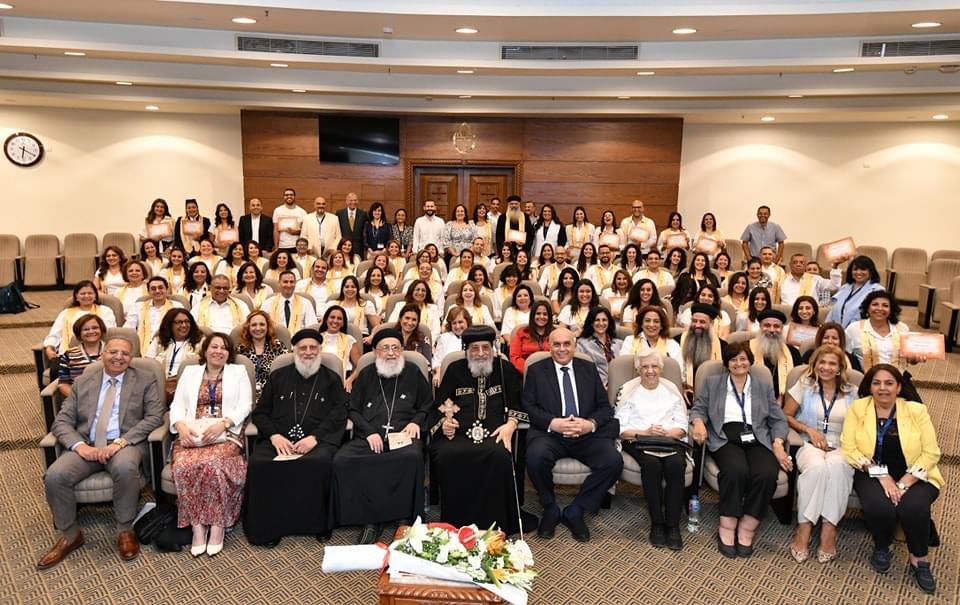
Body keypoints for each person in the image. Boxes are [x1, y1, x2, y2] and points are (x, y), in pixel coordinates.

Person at [37, 336, 164, 569]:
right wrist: (80, 446)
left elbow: (154, 417)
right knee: (55, 476)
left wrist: (121, 442)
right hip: (88, 443)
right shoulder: (84, 381)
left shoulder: (145, 379)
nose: (119, 357)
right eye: (113, 352)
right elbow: (62, 421)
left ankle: (125, 529)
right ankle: (70, 535)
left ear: (132, 357)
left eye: (125, 353)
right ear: (103, 354)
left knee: (125, 468)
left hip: (124, 444)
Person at [841, 364, 943, 594]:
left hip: (916, 473)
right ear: (869, 387)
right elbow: (849, 448)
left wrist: (905, 481)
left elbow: (931, 452)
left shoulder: (916, 410)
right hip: (872, 471)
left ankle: (919, 559)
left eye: (889, 383)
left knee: (913, 507)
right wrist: (882, 475)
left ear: (898, 387)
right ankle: (882, 546)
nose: (882, 388)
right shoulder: (858, 408)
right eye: (876, 383)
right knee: (880, 507)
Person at [245, 328, 348, 546]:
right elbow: (260, 413)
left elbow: (339, 414)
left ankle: (317, 525)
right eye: (303, 348)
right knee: (259, 463)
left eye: (313, 348)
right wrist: (274, 436)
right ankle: (269, 527)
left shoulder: (331, 379)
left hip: (317, 440)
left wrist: (315, 438)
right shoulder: (278, 377)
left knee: (319, 463)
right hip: (278, 439)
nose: (308, 352)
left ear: (319, 350)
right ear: (294, 351)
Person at [690, 341, 793, 558]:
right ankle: (727, 525)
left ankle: (748, 524)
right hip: (725, 437)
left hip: (757, 437)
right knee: (736, 471)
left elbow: (779, 419)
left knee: (766, 473)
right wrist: (698, 423)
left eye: (743, 359)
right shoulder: (713, 383)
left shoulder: (762, 386)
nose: (739, 363)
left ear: (750, 361)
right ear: (727, 363)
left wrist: (777, 443)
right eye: (733, 359)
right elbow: (698, 408)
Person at [331, 328, 433, 544]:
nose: (391, 353)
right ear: (376, 352)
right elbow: (352, 408)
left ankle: (403, 516)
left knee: (411, 457)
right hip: (370, 434)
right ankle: (369, 519)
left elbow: (427, 404)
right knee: (343, 459)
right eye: (385, 348)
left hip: (404, 433)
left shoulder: (413, 372)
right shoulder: (367, 374)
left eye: (395, 347)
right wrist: (368, 432)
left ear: (402, 350)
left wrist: (416, 422)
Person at [431, 326, 534, 534]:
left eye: (485, 348)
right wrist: (445, 423)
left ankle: (498, 523)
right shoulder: (455, 370)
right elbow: (441, 405)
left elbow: (518, 404)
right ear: (466, 349)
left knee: (499, 455)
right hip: (458, 434)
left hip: (496, 433)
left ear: (493, 348)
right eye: (474, 348)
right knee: (447, 454)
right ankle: (456, 523)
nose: (480, 353)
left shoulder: (505, 370)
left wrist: (511, 425)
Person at [523, 327, 622, 543]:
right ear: (549, 346)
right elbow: (528, 405)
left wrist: (590, 424)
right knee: (535, 457)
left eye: (566, 344)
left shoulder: (588, 368)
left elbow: (605, 407)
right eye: (556, 344)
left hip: (585, 435)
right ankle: (550, 507)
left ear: (574, 346)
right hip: (551, 435)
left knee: (613, 461)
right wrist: (553, 423)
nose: (562, 349)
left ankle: (576, 510)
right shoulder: (536, 370)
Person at [169, 333, 252, 557]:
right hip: (192, 431)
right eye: (214, 347)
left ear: (229, 353)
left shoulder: (238, 372)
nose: (218, 351)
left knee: (214, 465)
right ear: (205, 350)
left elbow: (245, 405)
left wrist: (224, 424)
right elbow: (177, 405)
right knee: (183, 466)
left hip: (224, 432)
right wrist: (180, 426)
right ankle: (197, 527)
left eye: (224, 348)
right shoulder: (190, 372)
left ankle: (217, 526)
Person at [783, 344, 857, 564]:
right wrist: (808, 430)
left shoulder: (852, 392)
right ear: (814, 365)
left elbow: (861, 425)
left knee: (838, 468)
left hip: (842, 445)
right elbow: (786, 415)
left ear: (840, 368)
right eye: (821, 362)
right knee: (816, 468)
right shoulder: (805, 385)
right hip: (808, 443)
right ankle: (804, 528)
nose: (826, 367)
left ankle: (829, 530)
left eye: (832, 363)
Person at [616, 350, 689, 550]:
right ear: (638, 370)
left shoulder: (671, 390)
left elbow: (683, 424)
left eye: (654, 366)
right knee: (652, 465)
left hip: (670, 440)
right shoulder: (628, 391)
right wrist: (645, 432)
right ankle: (657, 523)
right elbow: (620, 428)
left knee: (676, 465)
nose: (650, 371)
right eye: (645, 367)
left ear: (661, 369)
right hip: (638, 440)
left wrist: (668, 433)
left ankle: (672, 525)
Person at [845, 290, 925, 402]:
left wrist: (914, 359)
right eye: (875, 304)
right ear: (867, 308)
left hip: (898, 380)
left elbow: (910, 358)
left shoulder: (902, 328)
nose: (880, 308)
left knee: (916, 409)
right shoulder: (854, 329)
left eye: (885, 305)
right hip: (867, 381)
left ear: (891, 309)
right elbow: (844, 355)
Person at [43, 281, 118, 381]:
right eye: (83, 293)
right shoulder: (66, 313)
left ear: (95, 296)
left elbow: (108, 332)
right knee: (56, 371)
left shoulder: (105, 310)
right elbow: (55, 334)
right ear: (76, 297)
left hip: (98, 352)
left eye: (90, 293)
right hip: (67, 353)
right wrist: (49, 347)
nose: (86, 296)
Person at [146, 308, 203, 402]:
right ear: (169, 325)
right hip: (159, 384)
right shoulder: (159, 341)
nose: (184, 325)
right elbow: (148, 365)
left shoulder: (200, 342)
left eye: (187, 322)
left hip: (187, 386)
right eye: (179, 322)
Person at [235, 310, 288, 398]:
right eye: (254, 325)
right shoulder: (241, 350)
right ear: (248, 327)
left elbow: (287, 374)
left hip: (274, 396)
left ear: (268, 327)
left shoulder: (278, 347)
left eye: (262, 324)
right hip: (246, 395)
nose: (258, 328)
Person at [750, 309, 802, 399]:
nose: (772, 330)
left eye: (776, 326)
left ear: (782, 329)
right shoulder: (746, 349)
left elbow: (797, 385)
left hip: (783, 402)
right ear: (760, 327)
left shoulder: (793, 353)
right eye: (767, 325)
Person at [123, 276, 184, 351]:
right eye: (153, 289)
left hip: (169, 346)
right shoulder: (138, 306)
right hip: (141, 347)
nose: (157, 291)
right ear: (148, 291)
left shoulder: (177, 306)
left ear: (167, 290)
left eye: (161, 288)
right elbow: (128, 328)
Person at [676, 304, 725, 395]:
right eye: (694, 321)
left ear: (711, 323)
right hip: (682, 393)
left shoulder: (723, 346)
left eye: (702, 322)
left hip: (710, 394)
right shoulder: (677, 341)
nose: (697, 325)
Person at [827, 255, 886, 328]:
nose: (858, 272)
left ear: (871, 272)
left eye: (863, 269)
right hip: (837, 331)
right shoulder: (845, 287)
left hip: (860, 331)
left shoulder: (877, 290)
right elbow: (833, 312)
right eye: (855, 269)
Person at [56, 314, 106, 398]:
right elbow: (63, 383)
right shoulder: (69, 355)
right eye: (86, 329)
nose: (91, 331)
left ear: (101, 330)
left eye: (95, 328)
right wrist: (77, 398)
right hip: (80, 399)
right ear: (79, 333)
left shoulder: (114, 352)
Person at [575, 306, 622, 388]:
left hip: (620, 386)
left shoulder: (619, 343)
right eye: (597, 320)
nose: (601, 323)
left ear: (609, 322)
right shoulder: (581, 344)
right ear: (591, 323)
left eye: (604, 320)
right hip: (595, 387)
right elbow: (581, 371)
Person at [318, 305, 361, 388]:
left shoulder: (349, 339)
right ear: (326, 320)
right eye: (332, 317)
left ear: (343, 323)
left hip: (343, 381)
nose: (335, 321)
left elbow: (360, 365)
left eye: (339, 318)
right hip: (319, 379)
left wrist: (350, 379)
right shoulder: (316, 339)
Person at [509, 300, 553, 373]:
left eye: (545, 314)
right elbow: (514, 357)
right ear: (532, 315)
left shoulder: (555, 333)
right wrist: (530, 370)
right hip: (526, 372)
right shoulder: (521, 332)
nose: (541, 316)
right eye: (538, 313)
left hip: (551, 372)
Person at [431, 305, 472, 383]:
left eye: (460, 322)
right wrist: (438, 372)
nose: (457, 326)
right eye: (454, 323)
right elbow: (436, 361)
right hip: (450, 377)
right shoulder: (444, 338)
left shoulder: (476, 336)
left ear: (467, 321)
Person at [273, 187, 307, 253]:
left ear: (294, 196)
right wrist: (276, 247)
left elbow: (305, 231)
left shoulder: (302, 212)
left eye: (291, 195)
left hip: (297, 246)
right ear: (284, 197)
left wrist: (296, 232)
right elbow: (275, 230)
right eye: (286, 195)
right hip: (282, 246)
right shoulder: (278, 210)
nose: (289, 196)